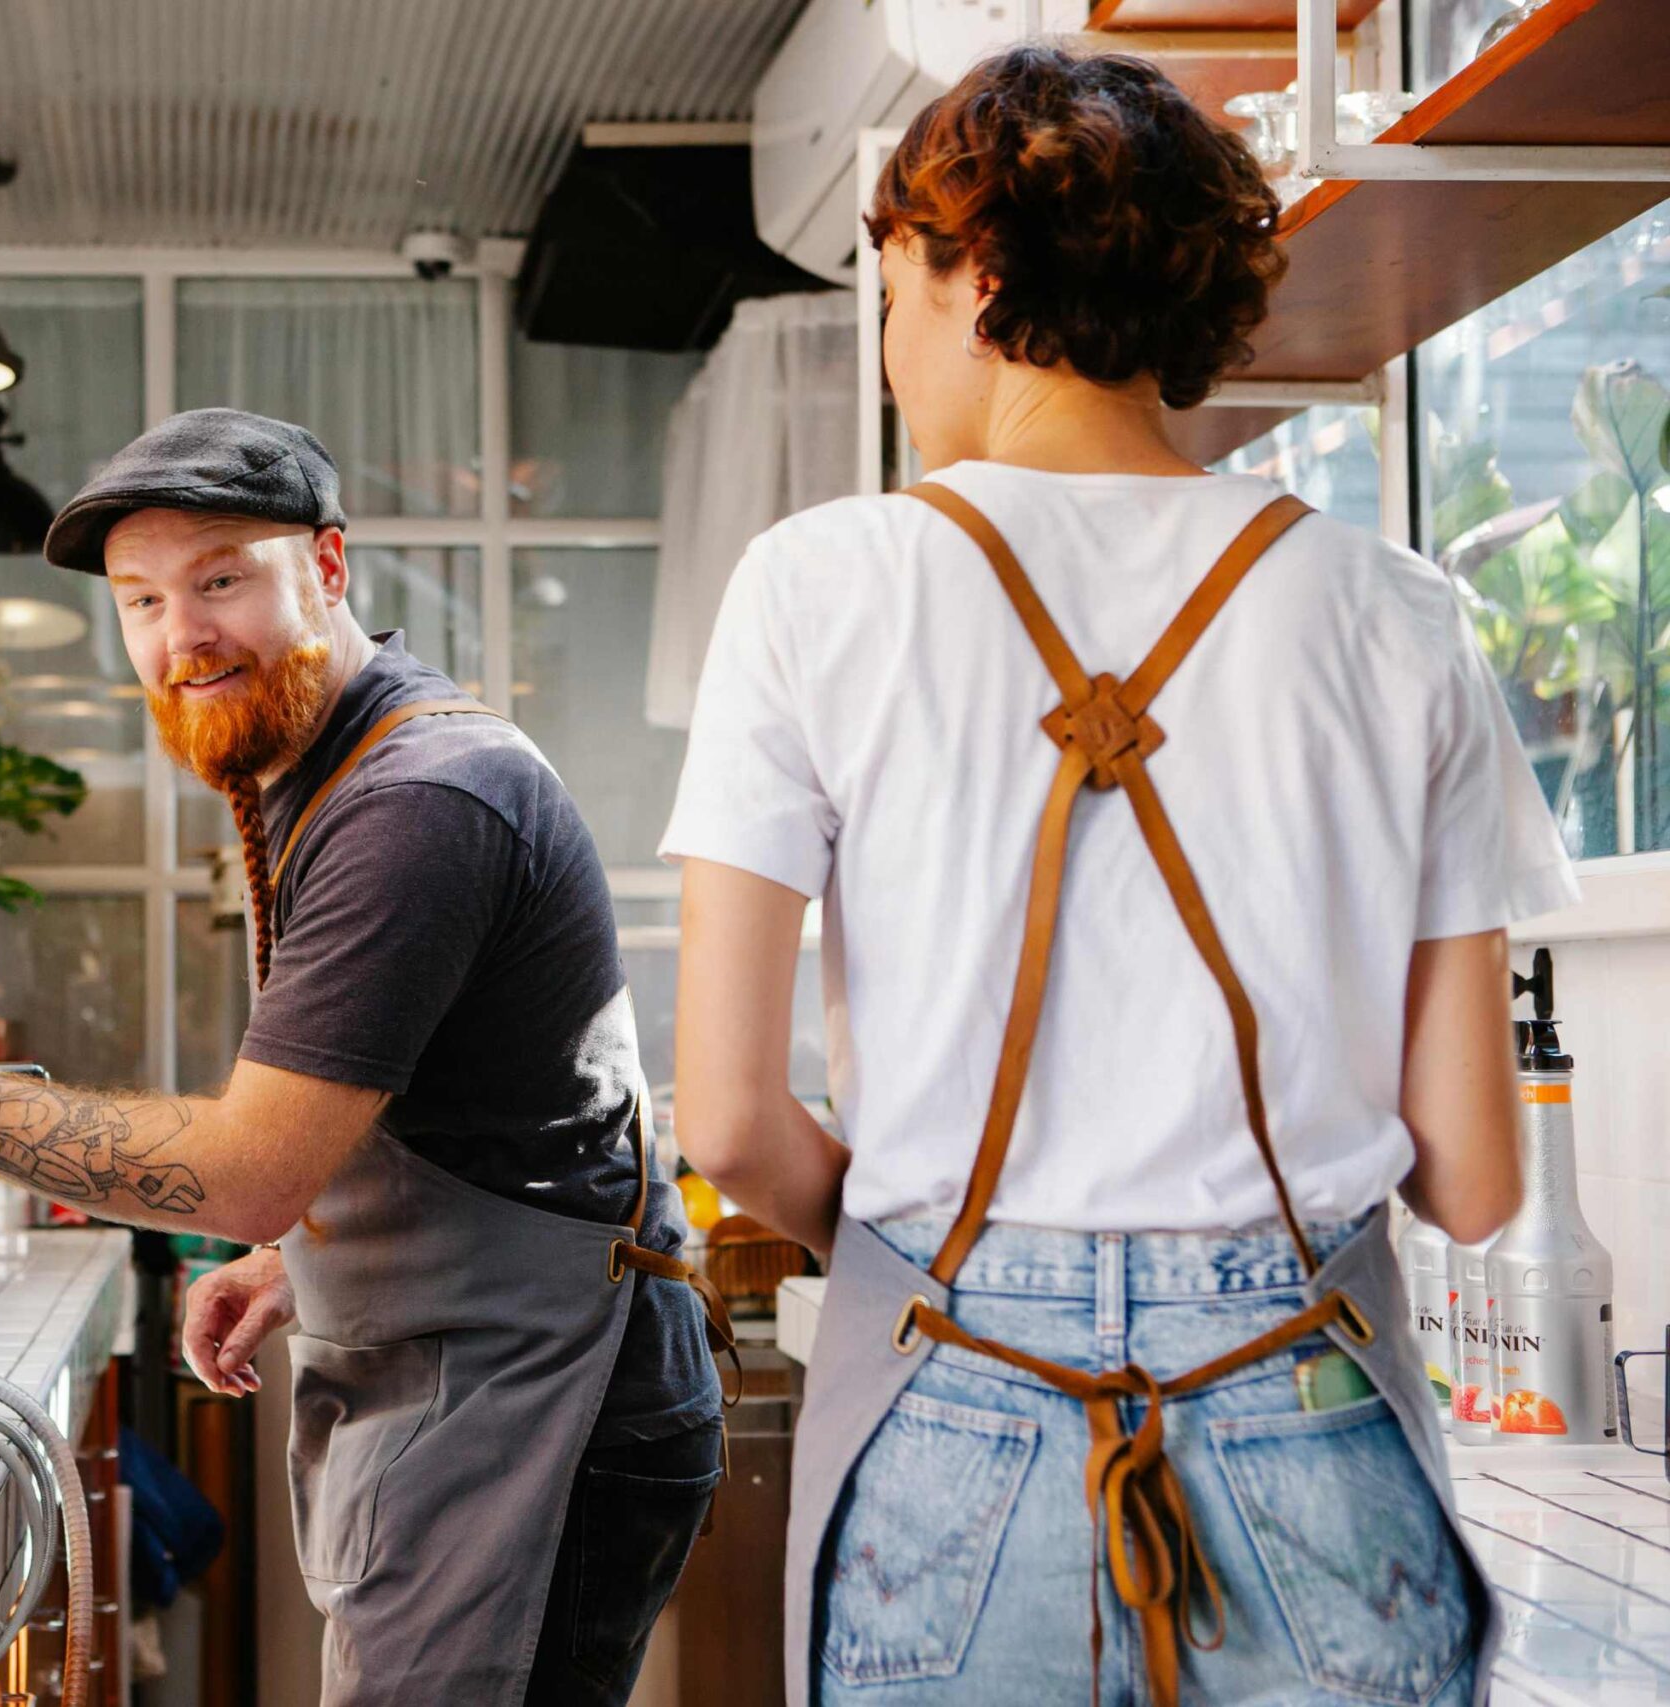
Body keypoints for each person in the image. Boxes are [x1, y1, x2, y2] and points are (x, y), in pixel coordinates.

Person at [660, 46, 1572, 1707]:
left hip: (951, 1392)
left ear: (979, 280)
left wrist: (932, 1257)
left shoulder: (815, 585)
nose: (891, 348)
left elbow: (725, 1122)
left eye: (892, 294)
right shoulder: (1396, 611)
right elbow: (1475, 1183)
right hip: (1308, 1392)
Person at [0, 407, 730, 1706]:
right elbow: (462, 1109)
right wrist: (303, 1257)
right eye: (141, 600)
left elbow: (253, 1169)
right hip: (483, 1373)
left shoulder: (418, 800)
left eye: (219, 581)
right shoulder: (324, 763)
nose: (180, 637)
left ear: (327, 566)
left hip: (544, 1402)